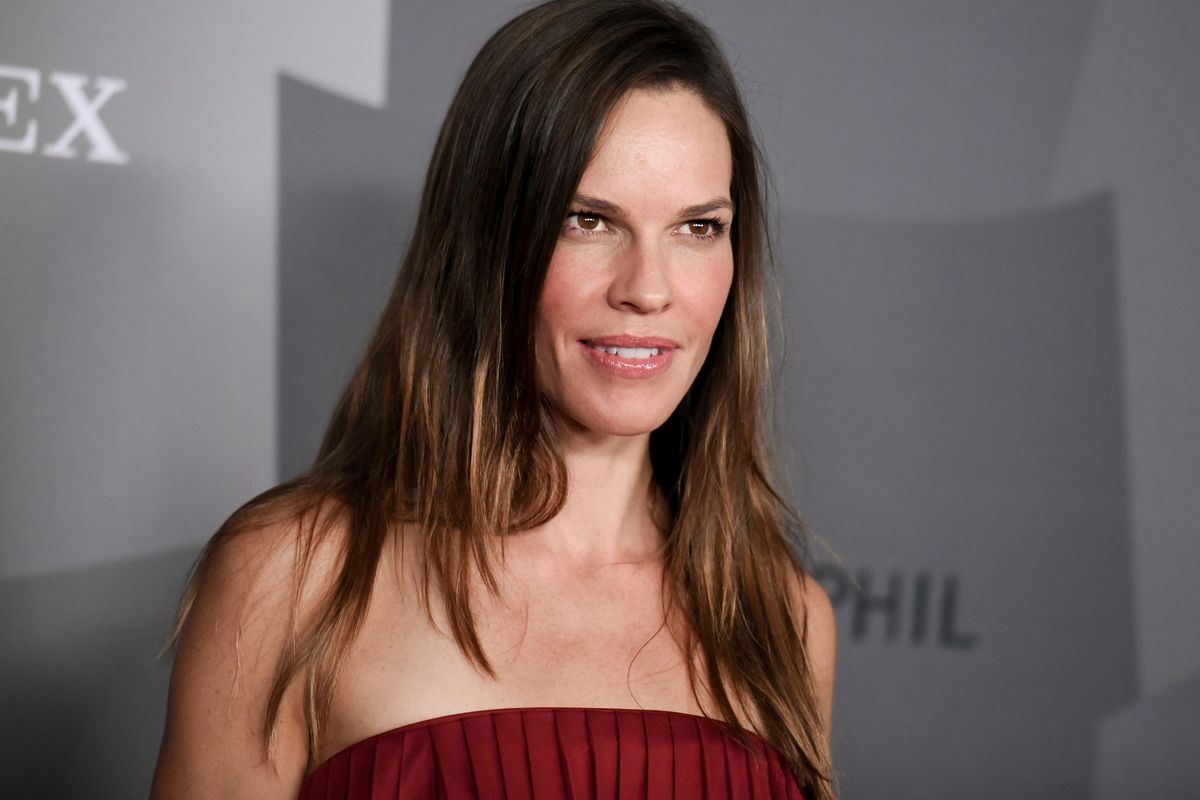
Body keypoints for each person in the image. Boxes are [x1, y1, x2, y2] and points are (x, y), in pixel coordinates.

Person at [150, 0, 836, 797]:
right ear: (486, 241)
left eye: (698, 228)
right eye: (587, 220)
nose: (649, 290)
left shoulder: (783, 618)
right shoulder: (297, 580)